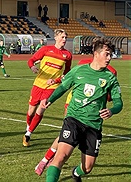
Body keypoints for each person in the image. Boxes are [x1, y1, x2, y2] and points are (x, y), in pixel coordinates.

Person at [42, 37, 123, 182]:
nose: (110, 58)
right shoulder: (78, 71)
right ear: (96, 54)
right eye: (107, 54)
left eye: (111, 54)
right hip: (74, 119)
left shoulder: (110, 78)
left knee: (87, 167)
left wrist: (112, 110)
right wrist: (50, 100)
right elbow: (63, 87)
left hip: (94, 125)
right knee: (61, 156)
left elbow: (119, 102)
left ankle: (76, 173)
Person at [23, 29, 72, 147]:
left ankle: (28, 134)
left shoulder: (67, 55)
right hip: (38, 84)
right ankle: (28, 127)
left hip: (52, 87)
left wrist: (56, 80)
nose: (64, 40)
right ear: (56, 37)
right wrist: (32, 67)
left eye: (66, 37)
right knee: (31, 111)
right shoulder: (45, 50)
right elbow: (31, 60)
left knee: (42, 108)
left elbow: (67, 73)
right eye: (62, 37)